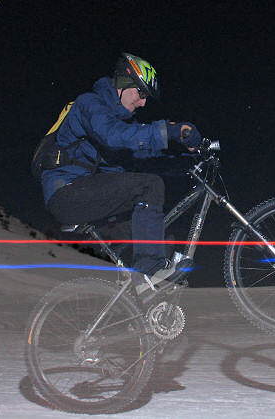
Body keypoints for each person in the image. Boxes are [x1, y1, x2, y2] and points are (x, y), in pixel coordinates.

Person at [40, 52, 201, 283]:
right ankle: (148, 270)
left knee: (155, 230)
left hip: (86, 193)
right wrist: (170, 130)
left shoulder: (120, 123)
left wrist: (186, 156)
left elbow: (141, 154)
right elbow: (114, 136)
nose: (143, 102)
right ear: (124, 83)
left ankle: (140, 295)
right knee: (149, 185)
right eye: (141, 93)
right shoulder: (89, 103)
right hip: (66, 192)